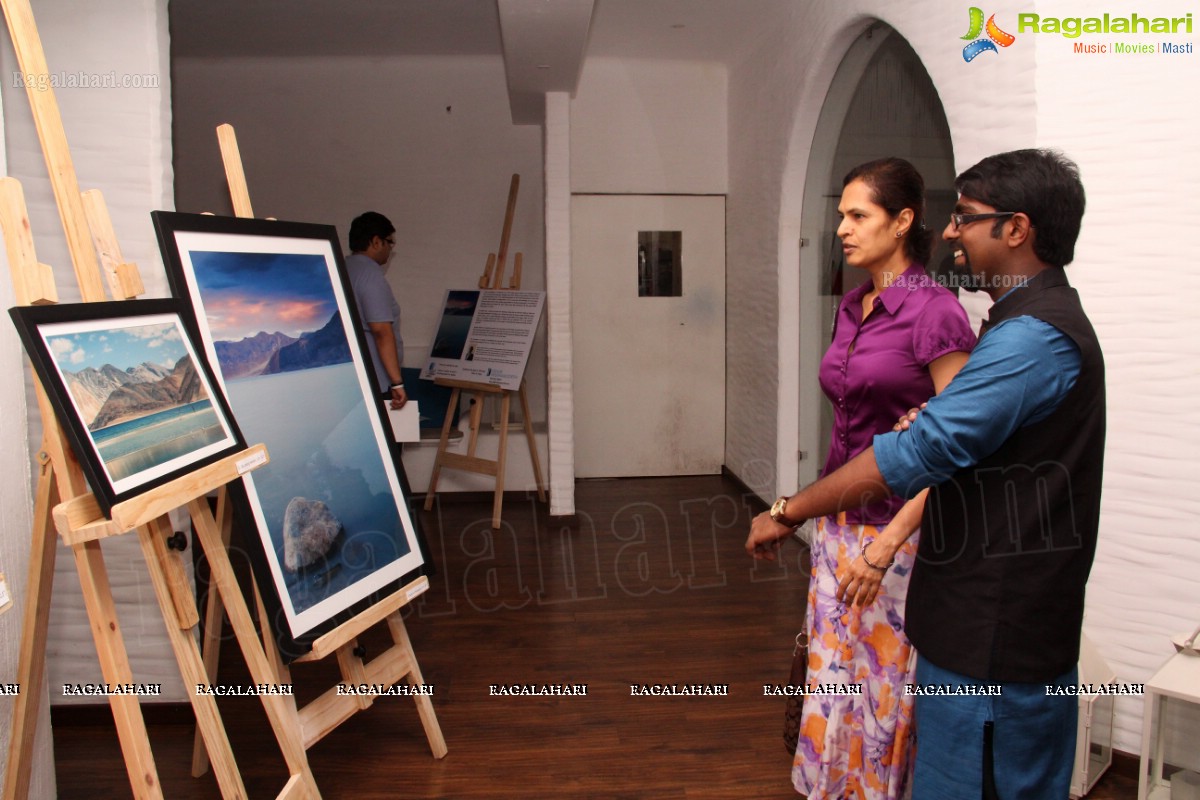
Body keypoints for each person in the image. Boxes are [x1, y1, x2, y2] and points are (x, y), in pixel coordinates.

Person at [747, 148, 1102, 800]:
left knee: (916, 730)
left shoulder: (1021, 335)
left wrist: (791, 510)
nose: (950, 231)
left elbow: (923, 452)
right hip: (905, 564)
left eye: (964, 217)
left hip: (984, 623)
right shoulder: (1006, 326)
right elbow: (947, 434)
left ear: (1015, 228)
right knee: (843, 684)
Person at [785, 158, 974, 800]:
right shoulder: (851, 305)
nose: (842, 227)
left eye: (857, 215)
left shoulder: (935, 313)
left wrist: (890, 540)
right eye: (840, 214)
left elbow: (960, 444)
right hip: (841, 522)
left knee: (882, 687)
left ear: (903, 221)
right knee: (835, 668)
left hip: (900, 533)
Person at [346, 211, 407, 409]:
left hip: (352, 375)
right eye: (390, 242)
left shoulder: (343, 267)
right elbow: (381, 331)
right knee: (389, 438)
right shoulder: (371, 275)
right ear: (376, 242)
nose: (390, 249)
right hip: (377, 380)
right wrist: (397, 382)